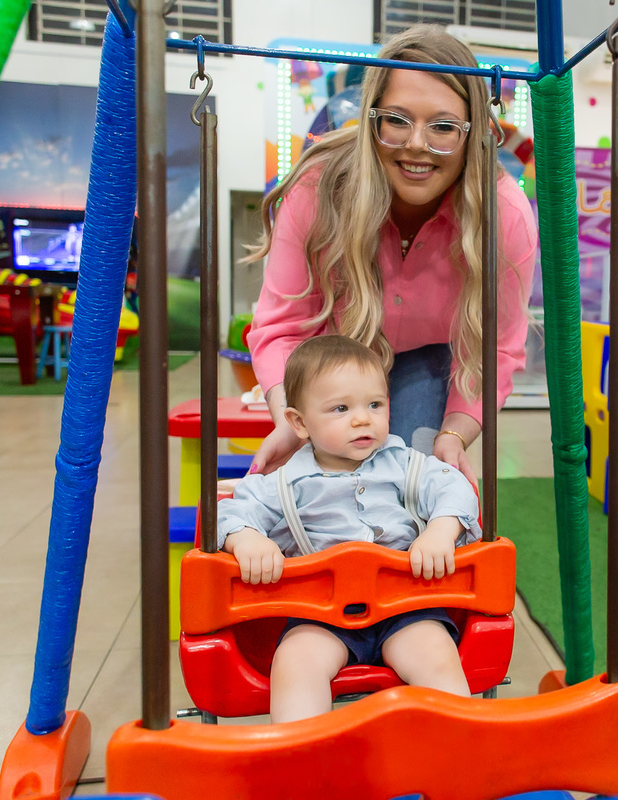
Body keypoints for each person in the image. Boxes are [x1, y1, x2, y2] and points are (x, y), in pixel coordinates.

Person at [245, 24, 538, 483]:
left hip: (428, 355)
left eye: (443, 127)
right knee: (322, 481)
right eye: (398, 120)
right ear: (372, 118)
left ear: (472, 134)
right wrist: (290, 417)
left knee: (407, 482)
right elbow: (282, 325)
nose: (417, 144)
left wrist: (456, 434)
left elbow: (495, 347)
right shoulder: (319, 190)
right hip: (331, 350)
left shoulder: (503, 216)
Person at [217, 335, 482, 723]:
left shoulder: (406, 464)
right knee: (295, 663)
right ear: (299, 423)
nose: (363, 418)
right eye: (341, 408)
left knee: (437, 656)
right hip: (319, 614)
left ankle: (455, 749)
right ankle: (304, 759)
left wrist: (440, 530)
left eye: (375, 404)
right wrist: (247, 539)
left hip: (406, 607)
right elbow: (230, 511)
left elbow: (455, 486)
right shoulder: (284, 483)